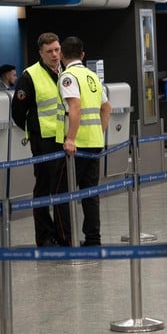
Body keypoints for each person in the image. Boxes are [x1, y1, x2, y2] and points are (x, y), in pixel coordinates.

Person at [11, 34, 67, 247]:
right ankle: (44, 235)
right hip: (43, 139)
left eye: (57, 49)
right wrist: (32, 130)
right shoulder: (30, 76)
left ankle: (63, 233)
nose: (55, 55)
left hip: (64, 137)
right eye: (50, 51)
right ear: (41, 53)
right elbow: (17, 111)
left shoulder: (65, 72)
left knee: (62, 187)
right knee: (44, 187)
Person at [56, 36, 110, 246]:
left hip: (77, 145)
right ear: (82, 55)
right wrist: (99, 130)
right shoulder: (92, 76)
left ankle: (67, 240)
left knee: (63, 192)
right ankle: (93, 238)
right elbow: (107, 108)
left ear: (61, 55)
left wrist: (70, 138)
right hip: (95, 143)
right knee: (90, 193)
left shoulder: (68, 77)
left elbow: (75, 107)